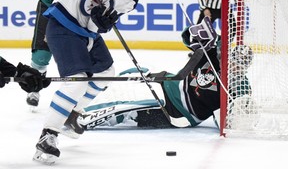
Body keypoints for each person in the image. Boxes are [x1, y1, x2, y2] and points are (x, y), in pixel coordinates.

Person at [32, 0, 165, 165]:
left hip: (86, 34)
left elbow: (102, 25)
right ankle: (48, 135)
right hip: (63, 24)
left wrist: (103, 23)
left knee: (105, 72)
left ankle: (71, 114)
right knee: (76, 82)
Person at [77, 17, 253, 131]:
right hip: (168, 83)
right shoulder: (213, 50)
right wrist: (197, 33)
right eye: (234, 61)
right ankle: (77, 107)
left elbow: (225, 122)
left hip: (178, 113)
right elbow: (186, 37)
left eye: (241, 65)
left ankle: (80, 120)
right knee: (124, 83)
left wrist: (239, 110)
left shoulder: (239, 86)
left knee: (127, 109)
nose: (236, 67)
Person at [26, 0, 83, 108]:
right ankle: (34, 88)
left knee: (77, 56)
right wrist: (51, 29)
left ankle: (76, 94)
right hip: (50, 5)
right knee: (41, 55)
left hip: (75, 10)